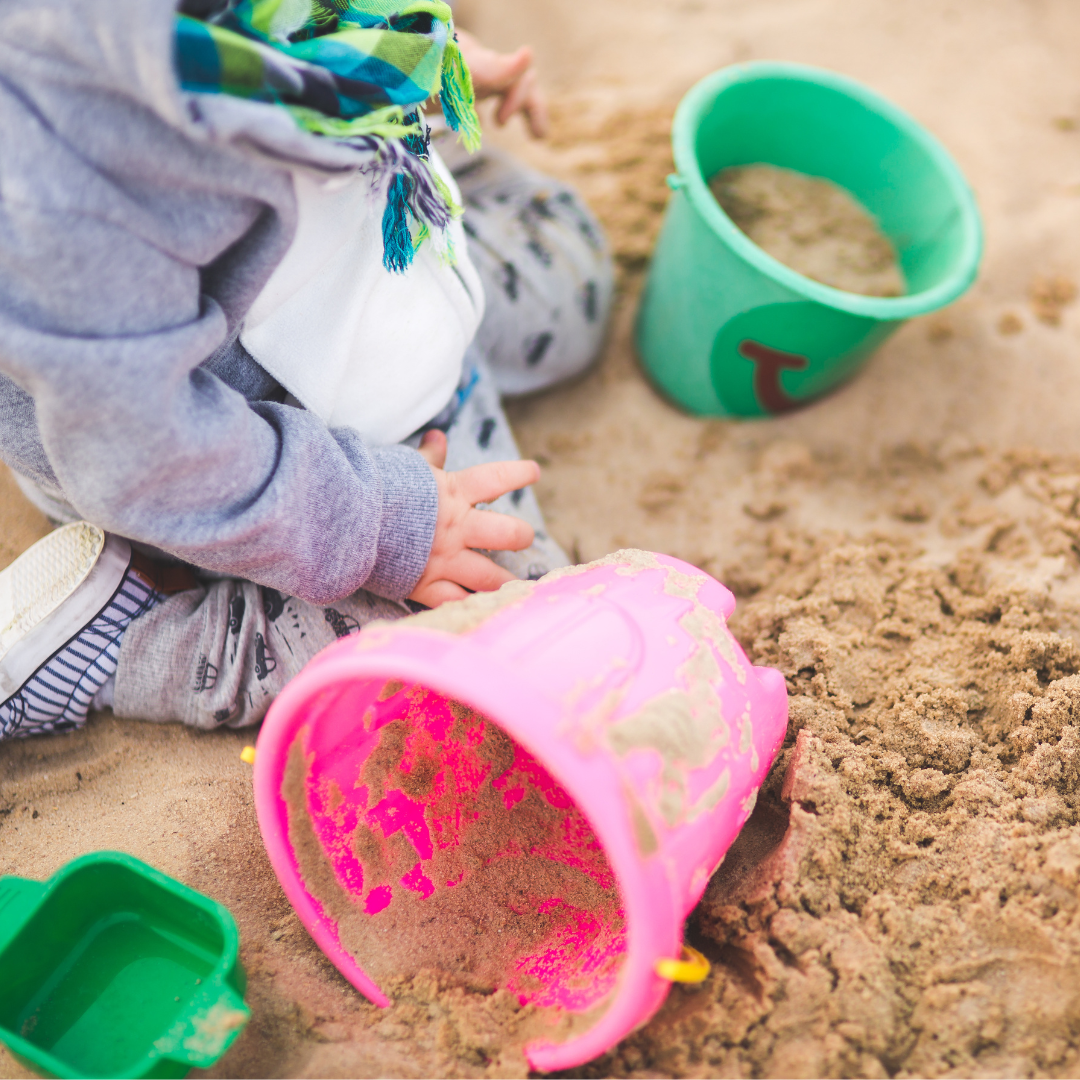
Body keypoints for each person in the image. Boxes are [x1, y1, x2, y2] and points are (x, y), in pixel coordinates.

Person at [0, 0, 613, 739]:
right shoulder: (65, 180)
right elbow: (146, 458)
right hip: (262, 459)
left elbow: (309, 22)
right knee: (506, 628)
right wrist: (385, 527)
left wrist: (408, 68)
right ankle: (131, 640)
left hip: (365, 271)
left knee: (574, 280)